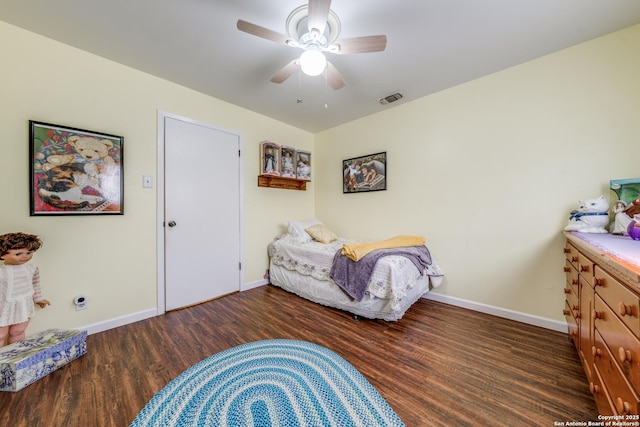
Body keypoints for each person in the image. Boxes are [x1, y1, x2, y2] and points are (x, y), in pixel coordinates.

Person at [0, 232, 50, 346]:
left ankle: (15, 355)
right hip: (3, 307)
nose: (25, 256)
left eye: (29, 252)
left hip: (23, 305)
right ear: (2, 255)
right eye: (18, 254)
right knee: (0, 335)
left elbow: (35, 284)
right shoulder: (2, 271)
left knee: (18, 332)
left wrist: (38, 299)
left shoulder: (32, 268)